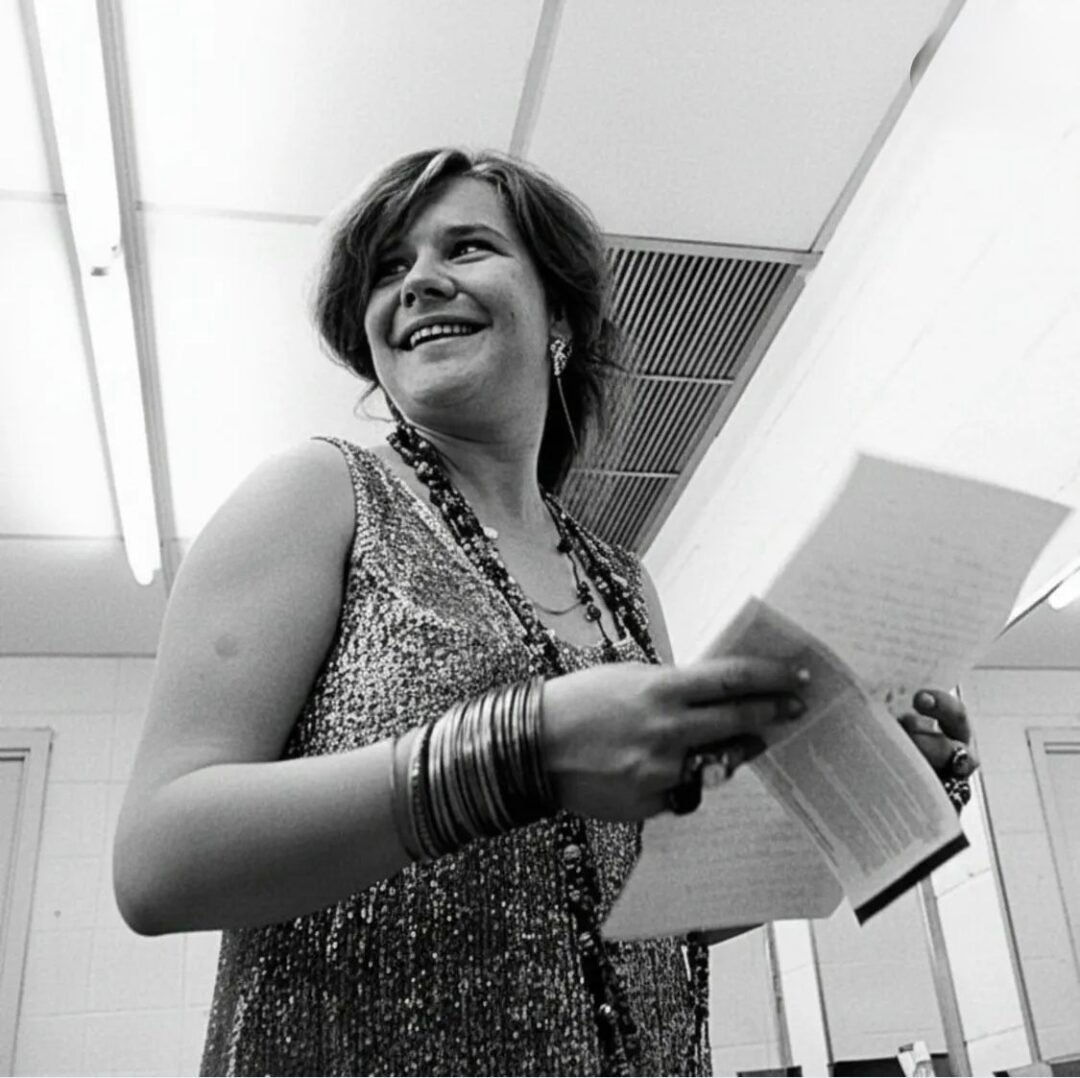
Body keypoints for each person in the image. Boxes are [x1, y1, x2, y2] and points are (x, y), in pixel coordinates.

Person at [113, 147, 978, 1077]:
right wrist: (521, 749)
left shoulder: (623, 586)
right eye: (390, 269)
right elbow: (159, 858)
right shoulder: (318, 496)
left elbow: (643, 912)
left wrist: (866, 804)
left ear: (559, 317)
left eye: (468, 246)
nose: (419, 283)